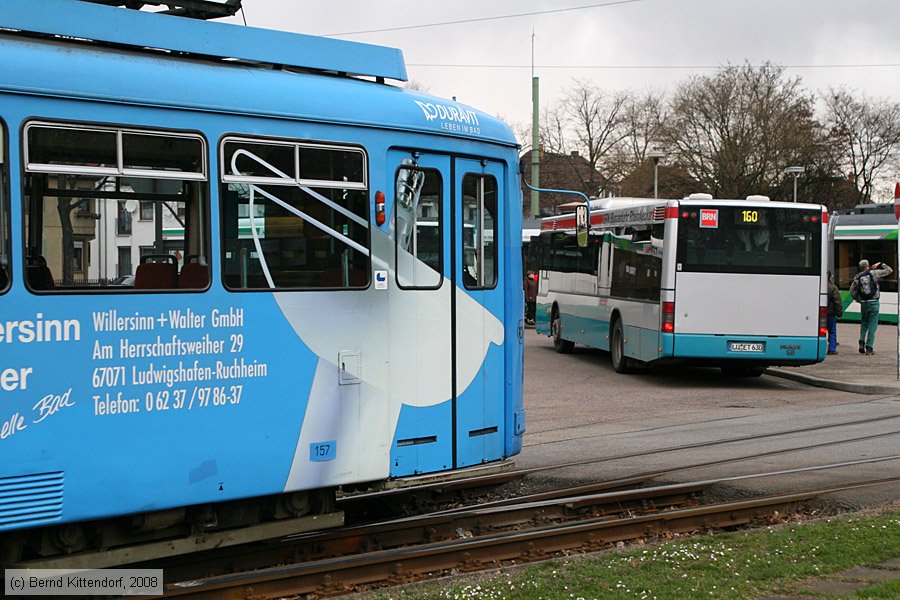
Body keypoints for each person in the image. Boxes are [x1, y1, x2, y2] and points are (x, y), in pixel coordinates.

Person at [849, 259, 892, 355]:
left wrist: (858, 300)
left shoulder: (857, 277)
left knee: (864, 323)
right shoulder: (874, 273)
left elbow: (852, 291)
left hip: (864, 303)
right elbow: (889, 270)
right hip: (874, 303)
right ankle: (869, 347)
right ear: (868, 265)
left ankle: (861, 341)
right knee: (872, 326)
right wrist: (880, 264)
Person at [826, 271, 842, 355]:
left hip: (819, 314)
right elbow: (837, 302)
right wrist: (839, 313)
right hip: (830, 313)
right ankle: (831, 349)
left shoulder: (817, 285)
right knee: (832, 331)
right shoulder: (833, 287)